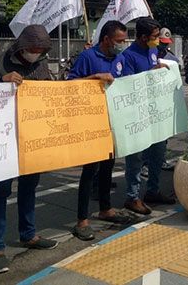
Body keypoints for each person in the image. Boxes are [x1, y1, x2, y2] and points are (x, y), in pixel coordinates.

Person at [0, 24, 58, 273]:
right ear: (23, 46)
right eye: (33, 49)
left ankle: (29, 234)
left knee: (29, 188)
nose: (37, 53)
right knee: (1, 192)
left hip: (32, 139)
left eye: (41, 49)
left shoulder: (41, 64)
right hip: (3, 140)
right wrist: (0, 82)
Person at [67, 21, 134, 241]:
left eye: (124, 41)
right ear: (106, 39)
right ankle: (82, 220)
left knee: (108, 166)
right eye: (119, 41)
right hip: (91, 123)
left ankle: (106, 208)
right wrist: (94, 79)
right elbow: (69, 85)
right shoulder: (88, 58)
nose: (122, 45)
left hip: (112, 122)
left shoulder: (119, 59)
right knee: (90, 171)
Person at [120, 17, 174, 215]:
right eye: (154, 37)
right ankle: (132, 196)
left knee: (158, 154)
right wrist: (152, 73)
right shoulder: (128, 56)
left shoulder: (152, 51)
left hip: (155, 113)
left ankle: (153, 190)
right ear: (143, 37)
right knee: (135, 159)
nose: (157, 40)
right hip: (137, 116)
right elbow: (128, 85)